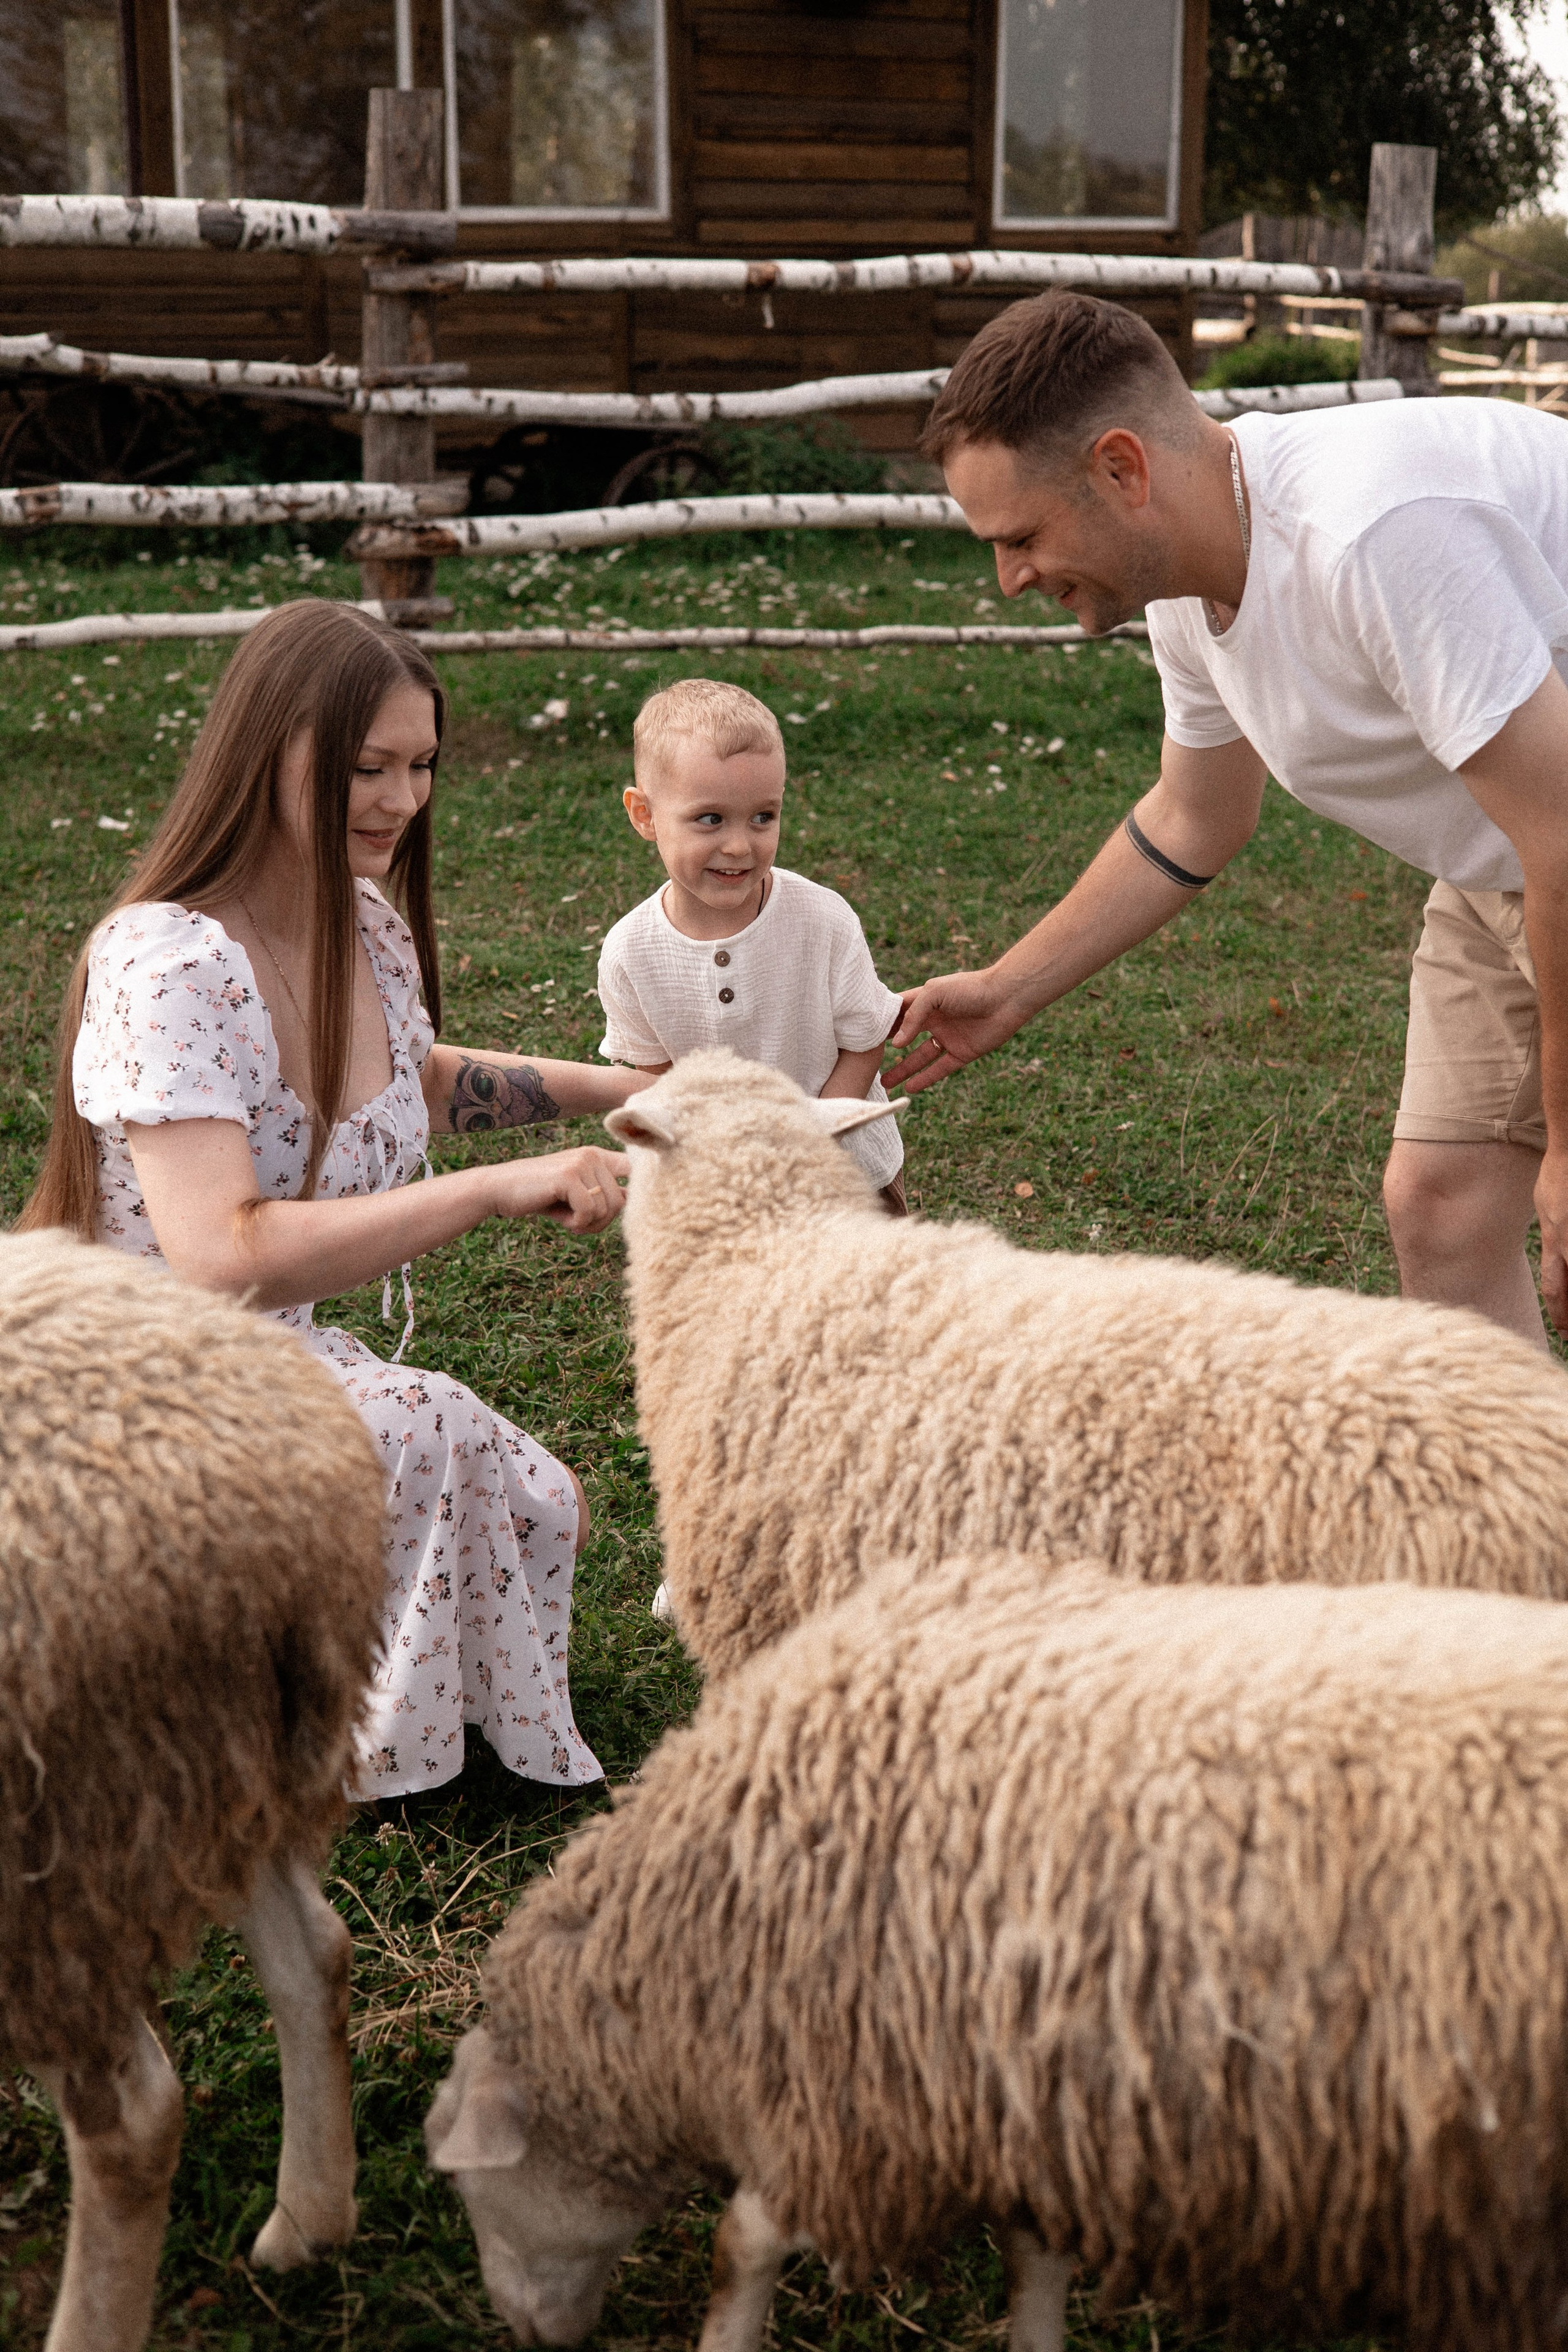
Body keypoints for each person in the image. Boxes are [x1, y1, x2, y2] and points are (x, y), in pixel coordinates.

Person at [21, 598, 647, 1802]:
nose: (401, 799)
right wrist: (490, 1195)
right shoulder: (169, 960)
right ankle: (375, 1767)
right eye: (367, 767)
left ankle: (387, 1717)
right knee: (425, 1425)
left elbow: (409, 1082)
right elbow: (220, 1254)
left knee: (539, 1502)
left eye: (420, 766)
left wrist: (622, 1089)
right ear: (266, 751)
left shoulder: (356, 922)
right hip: (141, 1383)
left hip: (280, 1358)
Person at [887, 290, 1568, 1349]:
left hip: (1558, 848)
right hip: (1512, 867)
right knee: (1444, 1206)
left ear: (1123, 469)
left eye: (1019, 536)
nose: (1008, 576)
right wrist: (1008, 992)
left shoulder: (1374, 534)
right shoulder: (1188, 585)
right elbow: (1195, 818)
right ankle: (1519, 1514)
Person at [597, 676, 907, 1212]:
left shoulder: (823, 920)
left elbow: (864, 1040)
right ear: (644, 815)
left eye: (763, 817)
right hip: (715, 1186)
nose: (740, 845)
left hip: (844, 1175)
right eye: (710, 819)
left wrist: (809, 1142)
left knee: (868, 1292)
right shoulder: (631, 952)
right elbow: (650, 1080)